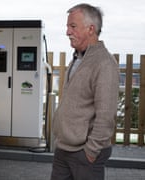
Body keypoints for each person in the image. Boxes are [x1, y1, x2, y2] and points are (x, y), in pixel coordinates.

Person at [50, 3, 119, 180]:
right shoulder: (78, 58)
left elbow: (106, 115)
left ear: (91, 29)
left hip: (85, 154)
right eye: (67, 26)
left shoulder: (104, 63)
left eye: (72, 26)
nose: (67, 32)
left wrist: (90, 152)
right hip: (64, 149)